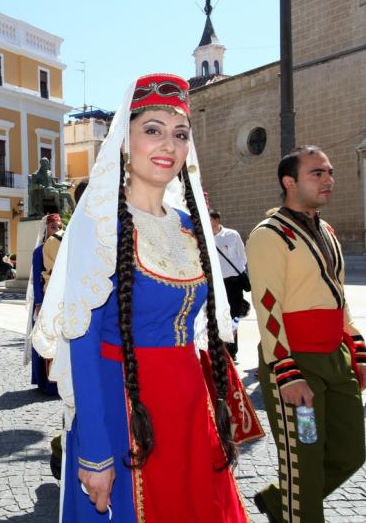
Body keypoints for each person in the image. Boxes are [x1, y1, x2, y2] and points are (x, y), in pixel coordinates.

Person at [33, 74, 257, 522]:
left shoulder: (188, 228)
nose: (168, 144)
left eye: (180, 134)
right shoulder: (99, 226)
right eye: (152, 129)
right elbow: (83, 339)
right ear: (123, 142)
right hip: (124, 407)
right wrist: (96, 451)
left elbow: (200, 331)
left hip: (190, 410)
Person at [247, 146, 366, 523]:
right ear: (290, 181)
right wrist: (286, 371)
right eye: (317, 173)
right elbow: (268, 309)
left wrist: (358, 350)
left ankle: (277, 501)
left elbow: (338, 295)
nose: (329, 180)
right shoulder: (269, 235)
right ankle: (294, 507)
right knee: (305, 466)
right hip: (296, 364)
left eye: (330, 172)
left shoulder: (327, 231)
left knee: (351, 454)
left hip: (337, 359)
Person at [25, 213, 62, 396]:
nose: (57, 230)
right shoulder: (39, 251)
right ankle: (47, 382)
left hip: (60, 300)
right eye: (53, 227)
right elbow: (38, 279)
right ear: (46, 229)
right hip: (45, 299)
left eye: (58, 226)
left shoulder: (63, 246)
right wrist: (39, 302)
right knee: (46, 337)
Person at [210, 210, 248, 361]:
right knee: (218, 316)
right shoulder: (204, 237)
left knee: (234, 316)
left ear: (217, 220)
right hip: (215, 283)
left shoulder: (232, 235)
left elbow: (242, 257)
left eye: (210, 219)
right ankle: (221, 350)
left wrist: (237, 272)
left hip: (233, 281)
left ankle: (232, 350)